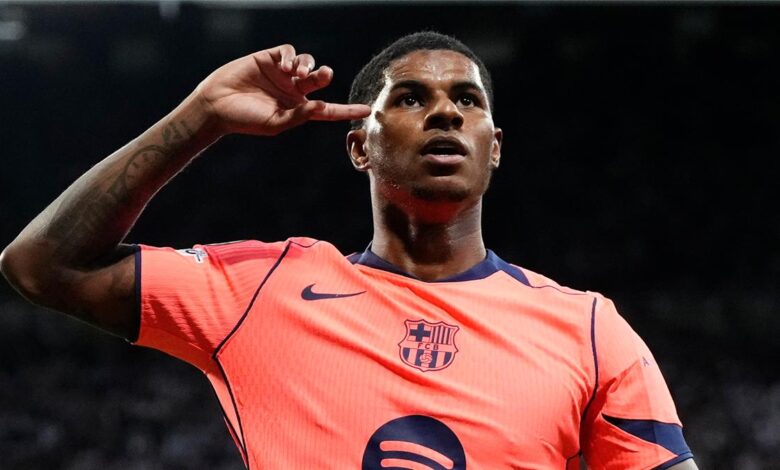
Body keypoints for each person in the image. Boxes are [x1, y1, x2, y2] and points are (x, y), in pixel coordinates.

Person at [1, 31, 697, 469]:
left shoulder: (588, 328)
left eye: (467, 100)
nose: (445, 111)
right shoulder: (260, 289)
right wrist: (202, 116)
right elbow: (42, 265)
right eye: (411, 98)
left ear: (494, 148)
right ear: (360, 146)